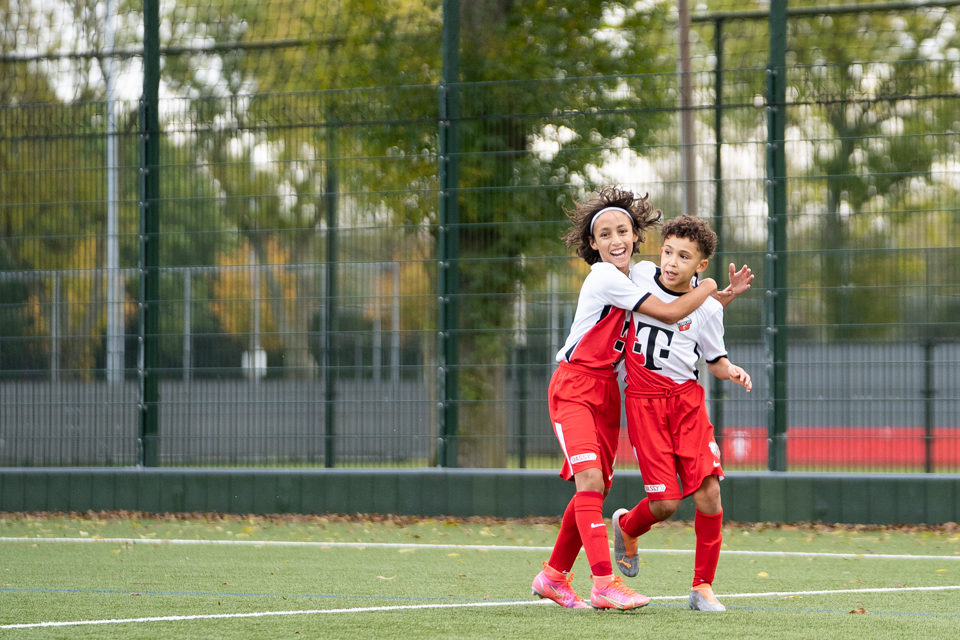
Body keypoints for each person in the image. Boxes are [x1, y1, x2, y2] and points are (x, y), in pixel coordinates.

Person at [531, 187, 726, 611]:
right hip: (574, 387)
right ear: (593, 245)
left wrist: (713, 298)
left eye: (623, 230)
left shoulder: (638, 276)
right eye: (605, 235)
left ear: (637, 236)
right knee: (590, 483)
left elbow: (677, 305)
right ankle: (604, 583)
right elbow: (672, 313)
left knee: (594, 489)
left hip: (606, 392)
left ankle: (552, 577)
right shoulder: (605, 276)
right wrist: (710, 285)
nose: (615, 240)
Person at [611, 214, 752, 613]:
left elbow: (714, 360)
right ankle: (625, 527)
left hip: (688, 404)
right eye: (668, 251)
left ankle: (701, 587)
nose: (671, 262)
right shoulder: (638, 277)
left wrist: (732, 370)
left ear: (700, 265)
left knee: (709, 494)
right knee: (666, 503)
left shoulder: (708, 309)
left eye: (683, 256)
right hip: (643, 403)